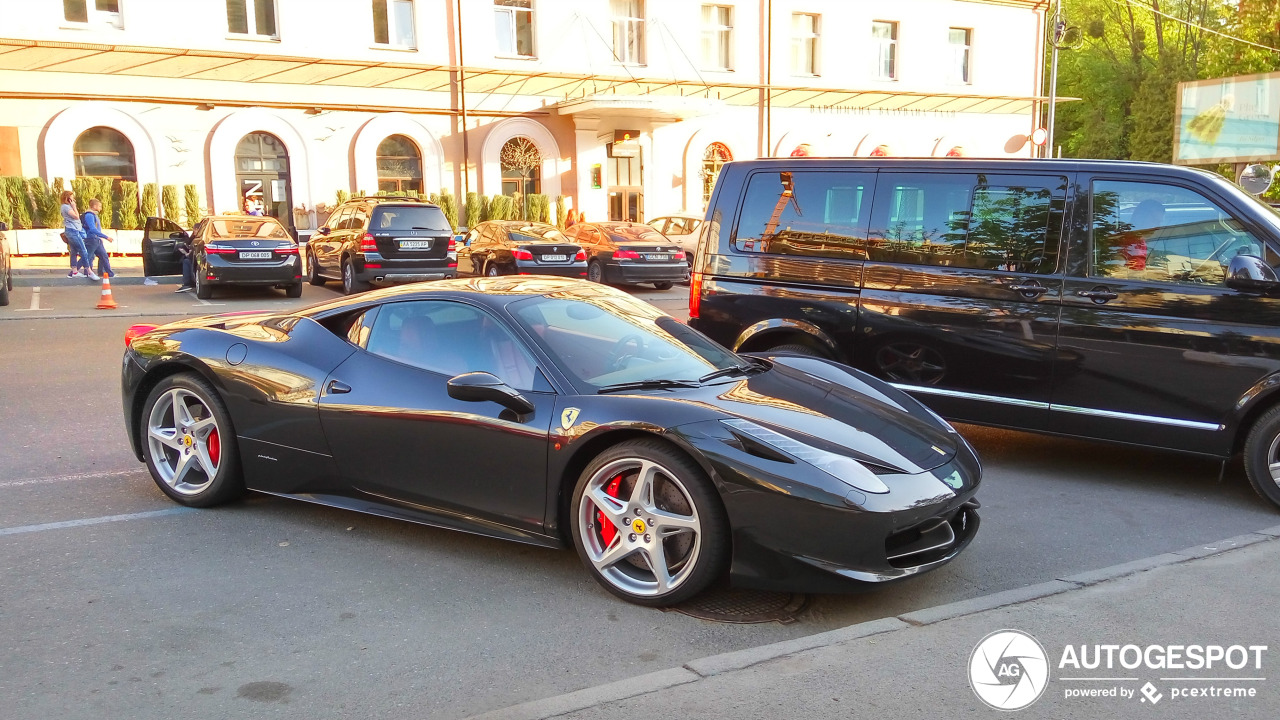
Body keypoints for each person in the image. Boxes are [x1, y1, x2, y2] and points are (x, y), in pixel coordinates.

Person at [60, 191, 96, 280]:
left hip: (73, 230)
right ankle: (89, 271)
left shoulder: (66, 207)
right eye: (72, 197)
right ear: (67, 198)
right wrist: (74, 207)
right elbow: (76, 217)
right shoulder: (66, 207)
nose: (74, 199)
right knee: (83, 250)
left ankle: (75, 271)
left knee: (74, 251)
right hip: (73, 231)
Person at [81, 198, 115, 278]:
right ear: (94, 206)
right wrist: (106, 237)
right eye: (99, 206)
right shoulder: (89, 215)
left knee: (104, 256)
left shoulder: (94, 215)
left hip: (97, 239)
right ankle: (85, 273)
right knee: (89, 257)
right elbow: (93, 229)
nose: (101, 208)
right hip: (91, 239)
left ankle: (109, 274)